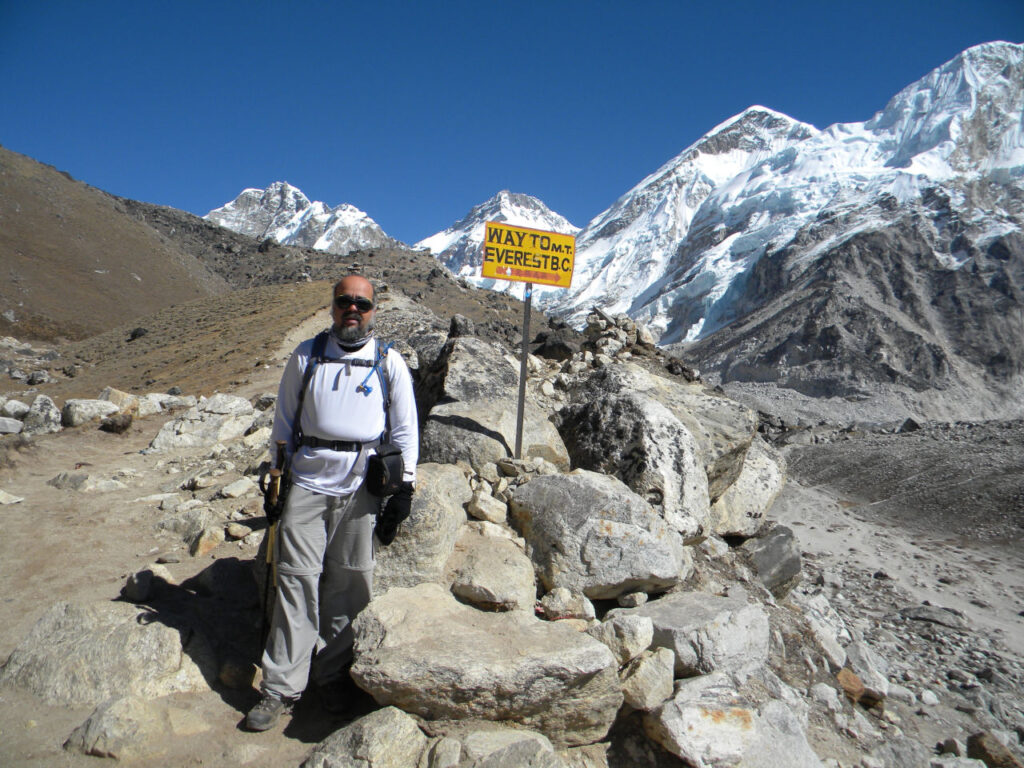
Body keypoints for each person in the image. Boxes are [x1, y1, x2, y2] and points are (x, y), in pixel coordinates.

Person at [246, 274, 418, 731]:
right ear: (332, 307)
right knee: (295, 581)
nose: (353, 311)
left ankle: (332, 674)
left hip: (363, 486)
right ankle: (281, 687)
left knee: (351, 584)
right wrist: (276, 480)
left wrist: (404, 489)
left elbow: (404, 432)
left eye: (362, 304)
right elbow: (284, 423)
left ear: (374, 311)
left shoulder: (389, 362)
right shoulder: (306, 355)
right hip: (305, 482)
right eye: (345, 302)